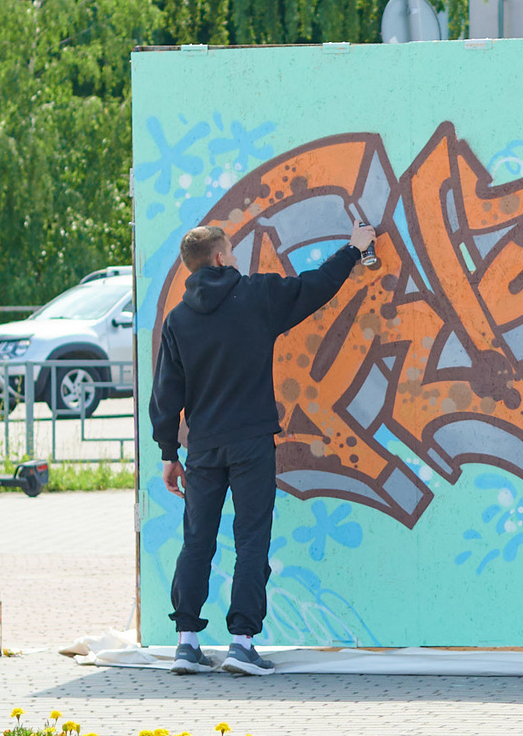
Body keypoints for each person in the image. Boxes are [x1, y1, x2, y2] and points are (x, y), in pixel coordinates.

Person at [149, 218, 377, 674]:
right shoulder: (255, 297)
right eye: (231, 251)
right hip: (251, 442)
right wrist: (353, 248)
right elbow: (314, 287)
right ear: (218, 257)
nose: (235, 258)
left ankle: (187, 643)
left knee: (197, 541)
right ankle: (241, 644)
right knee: (251, 540)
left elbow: (165, 394)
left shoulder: (177, 320)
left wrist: (169, 454)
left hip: (205, 448)